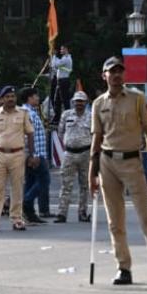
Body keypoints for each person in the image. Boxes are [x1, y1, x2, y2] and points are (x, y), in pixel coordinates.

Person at [91, 57, 147, 286]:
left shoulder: (138, 100)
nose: (117, 75)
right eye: (112, 71)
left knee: (146, 218)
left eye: (120, 71)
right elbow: (97, 140)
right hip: (108, 162)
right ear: (104, 75)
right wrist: (92, 172)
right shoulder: (98, 103)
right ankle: (123, 267)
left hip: (132, 162)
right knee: (114, 221)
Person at [0, 86, 34, 232]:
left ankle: (17, 219)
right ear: (2, 99)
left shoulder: (23, 113)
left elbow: (30, 134)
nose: (10, 99)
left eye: (12, 96)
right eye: (7, 96)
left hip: (17, 154)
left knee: (17, 188)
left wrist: (32, 154)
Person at [55, 91, 93, 223]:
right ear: (73, 102)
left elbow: (95, 134)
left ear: (86, 102)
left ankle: (82, 212)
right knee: (66, 184)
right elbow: (60, 132)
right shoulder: (66, 115)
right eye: (77, 101)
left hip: (85, 153)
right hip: (69, 153)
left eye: (81, 101)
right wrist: (68, 142)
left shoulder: (91, 116)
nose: (79, 104)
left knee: (85, 185)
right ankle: (61, 213)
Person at [19, 87, 51, 224]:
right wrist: (33, 155)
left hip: (36, 153)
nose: (38, 99)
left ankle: (29, 213)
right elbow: (27, 136)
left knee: (30, 181)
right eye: (36, 96)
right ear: (29, 98)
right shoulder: (28, 113)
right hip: (35, 155)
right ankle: (26, 201)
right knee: (45, 181)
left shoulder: (31, 112)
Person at [51, 45, 73, 115]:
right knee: (57, 100)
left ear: (66, 49)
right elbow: (56, 66)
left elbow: (55, 65)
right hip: (60, 81)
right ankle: (57, 117)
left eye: (62, 49)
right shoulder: (64, 58)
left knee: (64, 100)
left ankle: (68, 116)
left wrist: (53, 56)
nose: (60, 51)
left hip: (63, 81)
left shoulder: (66, 59)